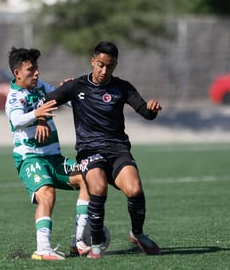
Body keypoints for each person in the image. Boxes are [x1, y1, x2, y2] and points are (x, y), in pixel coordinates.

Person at [42, 41, 163, 258]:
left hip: (117, 149)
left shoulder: (122, 87)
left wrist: (152, 109)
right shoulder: (76, 86)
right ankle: (95, 245)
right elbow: (46, 101)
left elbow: (144, 111)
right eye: (100, 65)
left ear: (115, 65)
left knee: (134, 189)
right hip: (89, 150)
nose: (103, 71)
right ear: (92, 61)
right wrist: (41, 119)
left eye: (110, 66)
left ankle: (137, 234)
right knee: (97, 188)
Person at [5, 47, 90, 260]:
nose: (36, 73)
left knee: (89, 177)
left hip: (55, 158)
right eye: (31, 69)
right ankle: (42, 249)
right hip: (30, 158)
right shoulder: (15, 97)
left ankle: (78, 241)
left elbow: (69, 100)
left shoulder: (43, 87)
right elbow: (16, 120)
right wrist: (37, 114)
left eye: (37, 68)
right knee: (47, 193)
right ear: (17, 73)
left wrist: (72, 89)